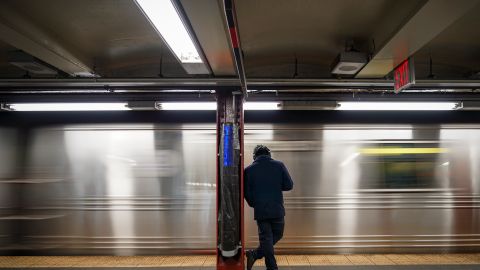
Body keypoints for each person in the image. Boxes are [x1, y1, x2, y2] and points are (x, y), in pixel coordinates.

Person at [244, 145, 294, 270]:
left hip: (261, 211)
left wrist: (253, 203)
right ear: (269, 154)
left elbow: (246, 191)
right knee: (277, 234)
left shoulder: (249, 170)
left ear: (254, 156)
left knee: (267, 239)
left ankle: (255, 254)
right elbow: (289, 185)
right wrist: (275, 185)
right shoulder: (279, 165)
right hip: (277, 209)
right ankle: (272, 267)